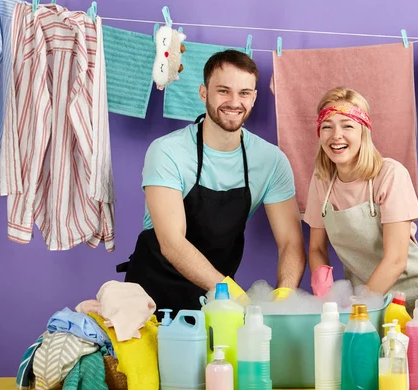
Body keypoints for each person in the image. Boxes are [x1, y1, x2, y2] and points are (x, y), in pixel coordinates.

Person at [117, 50, 306, 316]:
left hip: (217, 305)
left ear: (253, 97)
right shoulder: (168, 151)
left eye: (244, 93)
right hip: (152, 299)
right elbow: (173, 243)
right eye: (223, 91)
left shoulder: (271, 160)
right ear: (204, 93)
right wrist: (235, 295)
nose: (234, 102)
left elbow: (290, 243)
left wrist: (284, 297)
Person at [303, 87, 418, 314]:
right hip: (364, 303)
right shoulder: (321, 182)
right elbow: (316, 248)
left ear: (363, 131)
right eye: (327, 126)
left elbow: (396, 260)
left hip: (416, 301)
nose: (336, 135)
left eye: (347, 126)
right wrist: (323, 289)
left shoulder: (390, 174)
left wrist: (358, 308)